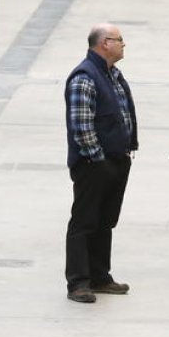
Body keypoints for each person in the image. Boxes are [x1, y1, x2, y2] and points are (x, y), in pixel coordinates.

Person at [64, 23, 138, 303]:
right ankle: (78, 283)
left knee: (104, 221)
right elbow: (81, 126)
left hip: (116, 160)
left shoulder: (113, 74)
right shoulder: (85, 77)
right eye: (119, 40)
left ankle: (99, 276)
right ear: (104, 43)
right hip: (93, 164)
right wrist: (98, 159)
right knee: (84, 221)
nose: (123, 44)